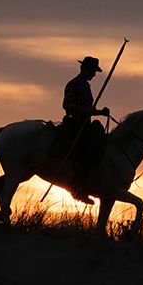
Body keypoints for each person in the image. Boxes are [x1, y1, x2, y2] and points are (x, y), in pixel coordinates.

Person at [60, 56, 110, 204]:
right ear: (85, 69)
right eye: (93, 71)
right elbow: (68, 105)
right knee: (87, 150)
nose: (94, 75)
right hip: (75, 123)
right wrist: (90, 111)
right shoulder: (73, 84)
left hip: (85, 123)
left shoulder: (86, 86)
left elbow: (89, 109)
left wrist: (99, 112)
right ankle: (76, 187)